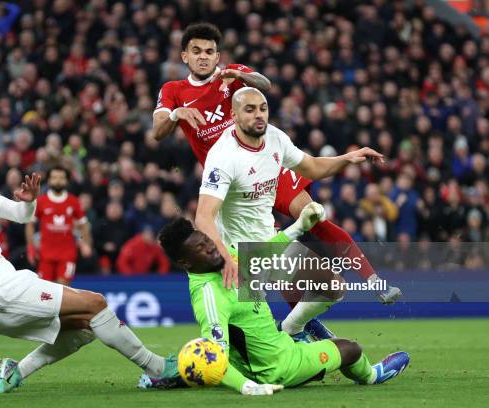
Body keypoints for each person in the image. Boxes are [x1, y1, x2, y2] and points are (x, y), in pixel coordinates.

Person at [0, 126, 179, 395]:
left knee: (87, 326)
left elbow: (20, 215)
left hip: (5, 284)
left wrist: (29, 202)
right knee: (96, 303)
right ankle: (157, 370)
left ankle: (16, 372)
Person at [152, 23, 401, 318]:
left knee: (311, 214)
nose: (203, 57)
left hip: (266, 163)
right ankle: (296, 329)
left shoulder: (231, 76)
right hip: (231, 186)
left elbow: (265, 84)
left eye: (209, 51)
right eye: (196, 52)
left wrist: (240, 75)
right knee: (267, 257)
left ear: (218, 55)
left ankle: (374, 282)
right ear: (184, 56)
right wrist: (177, 113)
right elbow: (158, 130)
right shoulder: (174, 91)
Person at [195, 87, 390, 340]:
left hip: (272, 242)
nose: (259, 115)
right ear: (233, 115)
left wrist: (348, 157)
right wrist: (225, 258)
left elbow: (312, 167)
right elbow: (203, 216)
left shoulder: (275, 138)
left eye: (263, 109)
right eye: (250, 109)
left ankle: (290, 330)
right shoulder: (223, 155)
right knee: (250, 350)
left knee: (333, 286)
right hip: (240, 254)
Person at [145, 216, 409, 395]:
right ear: (186, 263)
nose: (212, 248)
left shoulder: (227, 261)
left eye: (208, 241)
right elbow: (216, 356)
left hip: (276, 344)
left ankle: (178, 373)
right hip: (278, 368)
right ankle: (373, 375)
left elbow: (264, 252)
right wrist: (248, 387)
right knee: (349, 348)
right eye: (201, 248)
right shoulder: (209, 296)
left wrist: (298, 227)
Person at [25, 166, 93, 286]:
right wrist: (31, 247)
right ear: (49, 180)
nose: (58, 180)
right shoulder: (41, 201)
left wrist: (85, 243)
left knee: (63, 290)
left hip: (67, 255)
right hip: (45, 255)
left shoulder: (73, 201)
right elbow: (30, 225)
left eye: (61, 178)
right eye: (54, 177)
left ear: (67, 181)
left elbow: (84, 224)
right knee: (44, 291)